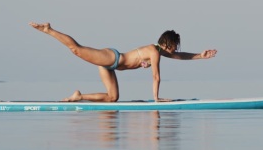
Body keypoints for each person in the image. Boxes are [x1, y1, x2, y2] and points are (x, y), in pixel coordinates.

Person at [29, 22, 218, 102]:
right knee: (76, 49)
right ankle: (49, 30)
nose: (176, 49)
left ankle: (78, 97)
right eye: (175, 45)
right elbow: (156, 77)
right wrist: (156, 99)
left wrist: (201, 56)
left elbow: (179, 56)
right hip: (112, 58)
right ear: (167, 43)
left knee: (113, 98)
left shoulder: (158, 51)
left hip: (111, 67)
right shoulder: (154, 52)